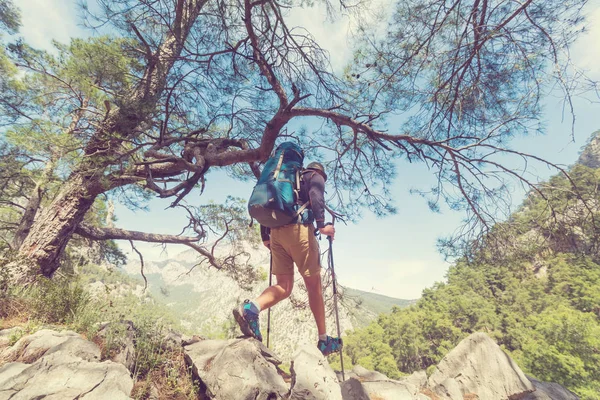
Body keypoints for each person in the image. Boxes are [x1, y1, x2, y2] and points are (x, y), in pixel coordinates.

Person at [233, 162, 342, 356]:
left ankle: (252, 308)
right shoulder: (313, 175)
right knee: (313, 286)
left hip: (275, 233)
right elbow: (316, 196)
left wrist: (266, 237)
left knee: (284, 285)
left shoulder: (280, 181)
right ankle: (324, 340)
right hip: (299, 232)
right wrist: (322, 225)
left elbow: (268, 207)